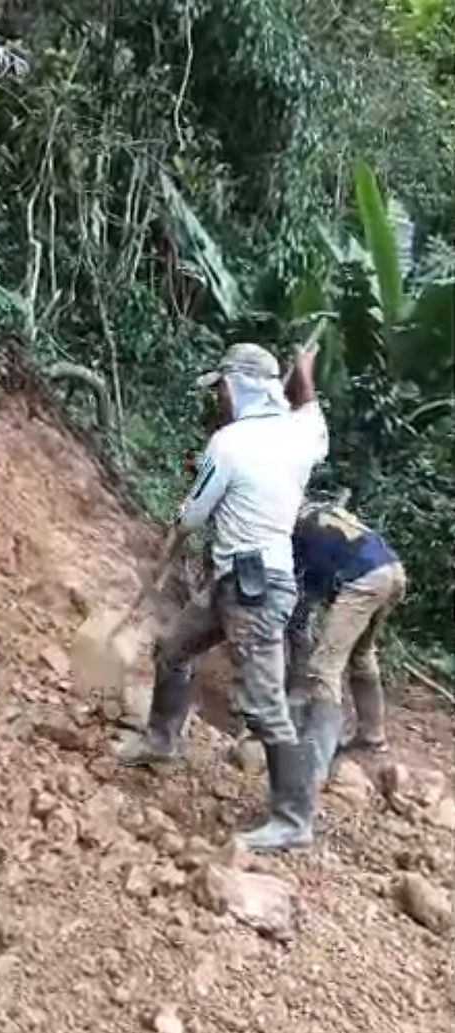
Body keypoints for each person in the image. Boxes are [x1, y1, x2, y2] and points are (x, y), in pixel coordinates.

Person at [113, 342, 329, 853]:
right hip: (240, 580)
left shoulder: (230, 443)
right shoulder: (303, 435)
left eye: (222, 389)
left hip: (253, 589)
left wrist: (181, 519)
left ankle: (295, 818)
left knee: (265, 701)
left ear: (238, 387)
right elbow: (309, 408)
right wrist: (304, 373)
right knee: (173, 648)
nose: (219, 400)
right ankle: (162, 740)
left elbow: (193, 515)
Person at [286, 501, 406, 777]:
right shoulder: (320, 511)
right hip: (392, 570)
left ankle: (314, 764)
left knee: (323, 666)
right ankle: (372, 735)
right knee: (361, 653)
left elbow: (303, 598)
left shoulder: (295, 532)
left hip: (364, 580)